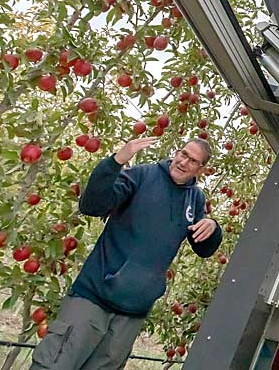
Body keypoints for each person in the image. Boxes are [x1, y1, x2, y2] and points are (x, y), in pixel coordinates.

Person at [30, 136, 222, 370]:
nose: (183, 162)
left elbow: (203, 248)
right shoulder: (143, 176)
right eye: (182, 153)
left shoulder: (195, 199)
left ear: (200, 169)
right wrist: (115, 161)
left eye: (192, 161)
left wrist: (212, 227)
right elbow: (92, 206)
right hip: (93, 298)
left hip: (133, 312)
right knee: (56, 363)